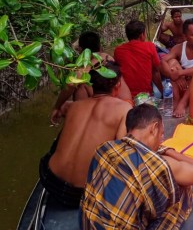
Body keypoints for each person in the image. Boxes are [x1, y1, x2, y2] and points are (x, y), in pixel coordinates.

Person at [79, 103, 193, 230]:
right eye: (161, 134)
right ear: (153, 128)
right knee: (184, 190)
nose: (161, 139)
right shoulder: (158, 162)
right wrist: (168, 151)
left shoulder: (104, 149)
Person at [39, 61, 133, 208]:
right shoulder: (124, 109)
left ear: (91, 85)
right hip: (82, 194)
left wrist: (57, 107)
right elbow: (121, 154)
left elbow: (68, 90)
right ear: (118, 85)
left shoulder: (73, 106)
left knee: (58, 140)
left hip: (50, 180)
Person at [50, 31, 132, 125]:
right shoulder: (107, 57)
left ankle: (82, 122)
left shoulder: (84, 68)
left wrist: (57, 106)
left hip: (118, 108)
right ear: (100, 46)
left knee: (78, 88)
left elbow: (70, 84)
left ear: (81, 50)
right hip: (127, 103)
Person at [160, 18, 193, 118]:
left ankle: (183, 103)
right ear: (185, 36)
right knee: (172, 63)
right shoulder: (178, 48)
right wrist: (174, 75)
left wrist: (180, 73)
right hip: (184, 83)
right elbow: (162, 61)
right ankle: (177, 99)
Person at [114, 20, 163, 99]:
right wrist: (162, 91)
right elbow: (156, 71)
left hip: (125, 96)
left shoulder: (118, 51)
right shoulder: (149, 46)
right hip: (144, 96)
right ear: (142, 35)